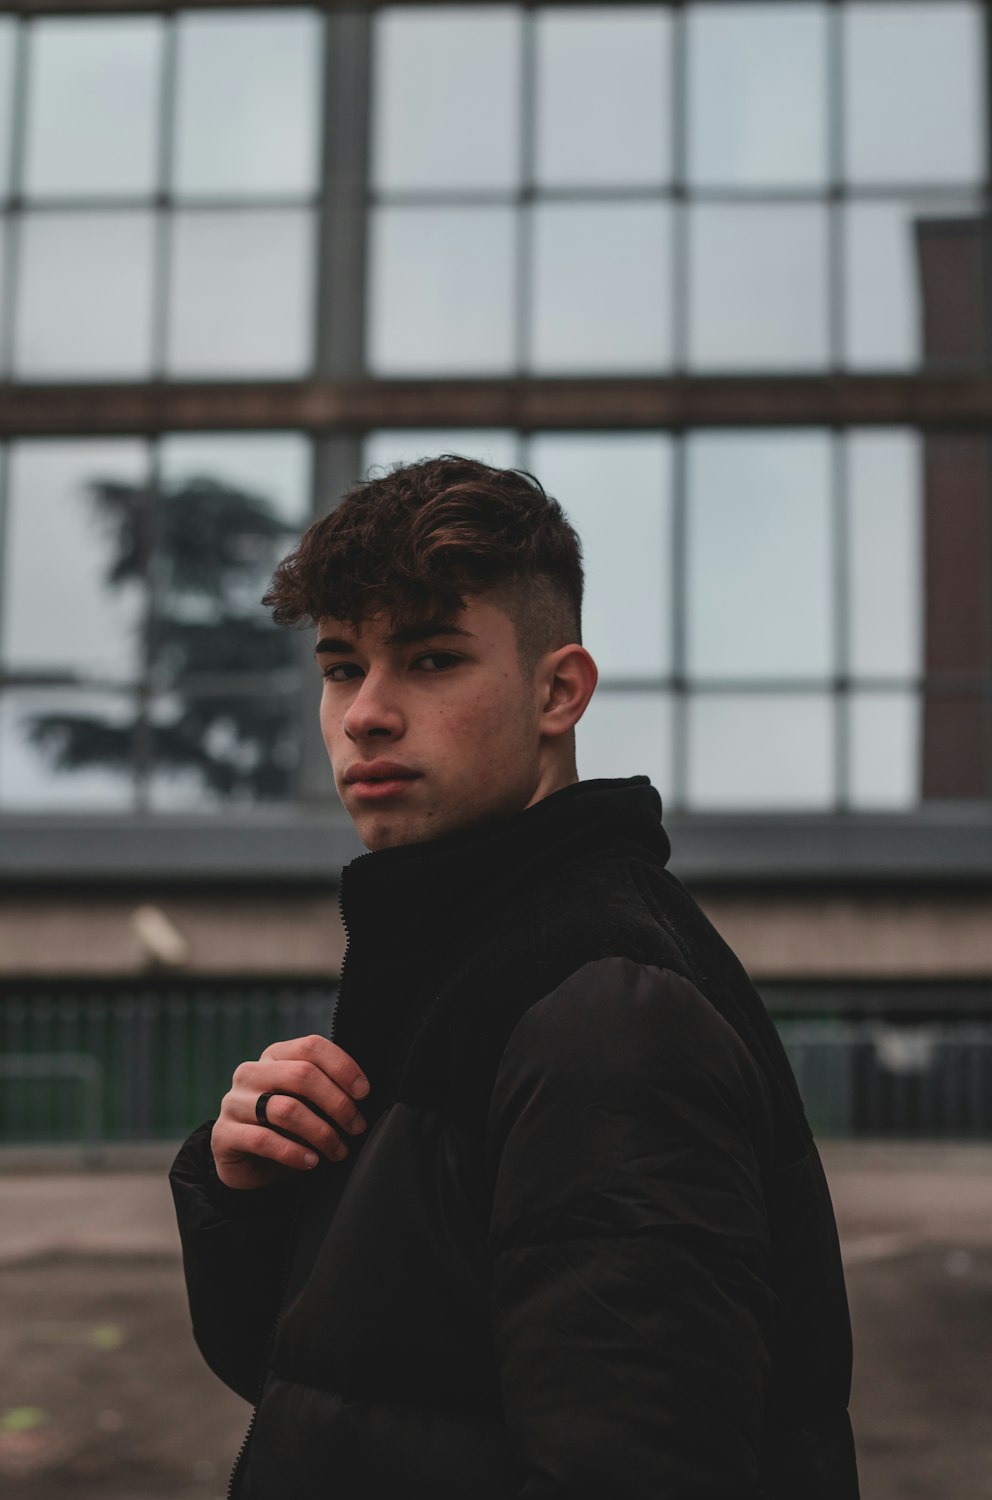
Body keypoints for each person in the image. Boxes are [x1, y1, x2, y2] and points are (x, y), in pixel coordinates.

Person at [170, 456, 859, 1499]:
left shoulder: (608, 1014)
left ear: (557, 692)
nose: (365, 713)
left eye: (432, 659)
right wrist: (249, 1198)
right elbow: (332, 1391)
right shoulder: (461, 952)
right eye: (343, 665)